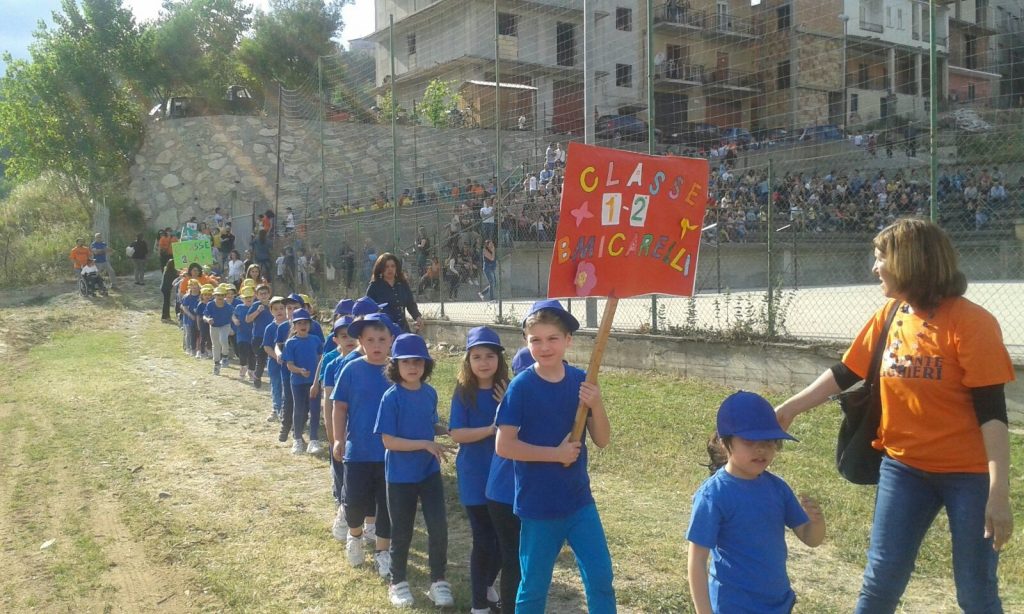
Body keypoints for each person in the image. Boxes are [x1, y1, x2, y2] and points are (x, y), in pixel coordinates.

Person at [775, 218, 1015, 614]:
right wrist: (789, 409)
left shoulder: (972, 323)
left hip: (969, 476)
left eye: (879, 257)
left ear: (908, 261)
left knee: (975, 591)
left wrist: (998, 492)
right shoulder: (891, 314)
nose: (874, 268)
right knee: (880, 580)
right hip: (903, 469)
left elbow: (993, 415)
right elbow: (845, 372)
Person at [495, 300, 614, 613]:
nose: (544, 347)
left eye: (552, 339)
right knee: (534, 586)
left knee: (601, 577)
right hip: (538, 507)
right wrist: (554, 454)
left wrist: (596, 403)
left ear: (568, 341)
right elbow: (504, 446)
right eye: (536, 340)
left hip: (579, 503)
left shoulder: (581, 382)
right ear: (526, 342)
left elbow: (602, 439)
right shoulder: (521, 387)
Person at [687, 391, 825, 614]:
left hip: (777, 604)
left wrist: (816, 523)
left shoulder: (777, 488)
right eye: (750, 441)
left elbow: (810, 538)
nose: (761, 449)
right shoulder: (714, 495)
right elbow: (697, 560)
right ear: (725, 443)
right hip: (733, 606)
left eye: (769, 441)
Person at [376, 334, 455, 608]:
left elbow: (428, 425)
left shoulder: (430, 393)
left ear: (426, 365)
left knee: (439, 528)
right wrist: (425, 444)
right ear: (395, 365)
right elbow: (388, 441)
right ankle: (397, 582)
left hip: (429, 472)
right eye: (406, 361)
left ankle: (438, 581)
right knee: (402, 532)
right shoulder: (391, 397)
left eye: (418, 362)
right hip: (400, 476)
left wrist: (448, 431)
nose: (413, 367)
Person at [331, 313, 397, 578]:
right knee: (355, 502)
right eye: (370, 340)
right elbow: (340, 406)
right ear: (360, 341)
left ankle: (383, 551)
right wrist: (337, 439)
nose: (377, 344)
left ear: (391, 340)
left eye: (382, 339)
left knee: (387, 505)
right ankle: (355, 536)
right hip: (357, 451)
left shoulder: (397, 369)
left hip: (391, 454)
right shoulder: (352, 368)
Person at [450, 327, 508, 614]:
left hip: (504, 478)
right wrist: (490, 429)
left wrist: (510, 401)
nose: (483, 362)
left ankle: (486, 585)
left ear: (499, 359)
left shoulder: (509, 388)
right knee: (483, 539)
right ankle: (478, 606)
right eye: (476, 357)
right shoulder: (464, 392)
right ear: (468, 361)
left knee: (503, 540)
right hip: (474, 475)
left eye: (489, 356)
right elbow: (457, 433)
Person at [282, 308, 324, 455]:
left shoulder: (316, 340)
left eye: (305, 322)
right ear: (294, 326)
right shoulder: (290, 343)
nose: (303, 325)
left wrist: (319, 378)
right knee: (299, 409)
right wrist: (300, 370)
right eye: (299, 323)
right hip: (298, 382)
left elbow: (320, 359)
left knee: (315, 410)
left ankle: (314, 439)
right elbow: (289, 365)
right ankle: (297, 439)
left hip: (314, 382)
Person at [366, 253, 423, 334]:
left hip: (402, 329)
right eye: (386, 266)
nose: (390, 269)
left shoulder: (402, 284)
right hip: (383, 331)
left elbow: (410, 304)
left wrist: (417, 317)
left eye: (393, 266)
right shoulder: (374, 286)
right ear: (381, 268)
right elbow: (368, 308)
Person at [261, 296, 289, 424]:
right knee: (276, 385)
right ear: (271, 311)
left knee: (287, 387)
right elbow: (267, 347)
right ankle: (276, 409)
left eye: (282, 308)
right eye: (276, 309)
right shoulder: (270, 328)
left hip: (290, 364)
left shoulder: (292, 326)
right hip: (274, 363)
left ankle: (287, 410)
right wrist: (277, 357)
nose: (279, 311)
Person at [203, 286, 235, 375]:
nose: (220, 297)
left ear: (224, 296)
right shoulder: (210, 304)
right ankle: (216, 364)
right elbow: (204, 315)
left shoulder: (228, 306)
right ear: (214, 296)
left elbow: (233, 317)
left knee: (223, 340)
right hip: (214, 326)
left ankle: (225, 357)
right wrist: (207, 319)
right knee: (216, 345)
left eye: (221, 295)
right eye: (217, 295)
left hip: (225, 325)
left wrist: (232, 328)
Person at [232, 286, 256, 381]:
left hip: (253, 334)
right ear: (242, 298)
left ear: (253, 297)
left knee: (252, 353)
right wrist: (235, 320)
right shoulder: (239, 307)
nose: (248, 299)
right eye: (246, 297)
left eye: (250, 297)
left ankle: (251, 371)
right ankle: (243, 366)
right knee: (242, 351)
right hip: (241, 333)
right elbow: (233, 315)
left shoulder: (256, 307)